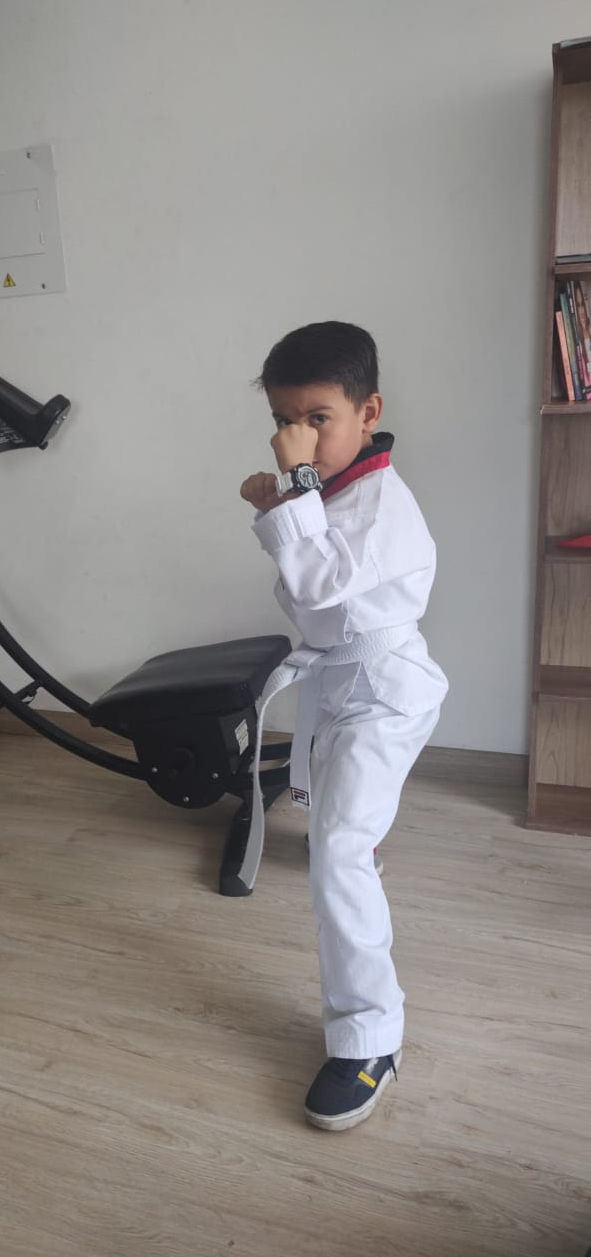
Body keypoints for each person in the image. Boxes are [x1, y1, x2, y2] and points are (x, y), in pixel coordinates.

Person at [239, 321, 448, 1131]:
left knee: (336, 855)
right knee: (337, 829)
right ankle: (356, 848)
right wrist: (283, 502)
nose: (299, 436)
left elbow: (321, 586)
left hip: (384, 695)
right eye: (285, 419)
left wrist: (293, 489)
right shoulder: (335, 490)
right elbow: (312, 585)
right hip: (342, 684)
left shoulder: (383, 502)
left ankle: (370, 1038)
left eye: (317, 418)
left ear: (369, 412)